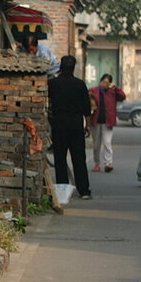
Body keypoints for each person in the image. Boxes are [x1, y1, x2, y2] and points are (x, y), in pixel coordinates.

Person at [48, 55, 92, 199]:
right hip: (75, 125)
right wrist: (88, 126)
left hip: (58, 124)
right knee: (79, 158)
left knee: (60, 159)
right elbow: (87, 108)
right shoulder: (80, 84)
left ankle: (62, 192)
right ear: (73, 68)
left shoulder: (53, 84)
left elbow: (47, 104)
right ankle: (84, 190)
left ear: (61, 66)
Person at [88, 74, 126, 173]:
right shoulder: (93, 90)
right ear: (100, 81)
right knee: (96, 144)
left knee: (107, 143)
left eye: (107, 82)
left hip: (108, 121)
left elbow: (122, 97)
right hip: (95, 121)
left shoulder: (112, 91)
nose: (104, 84)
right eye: (103, 82)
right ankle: (97, 163)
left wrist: (116, 88)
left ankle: (108, 163)